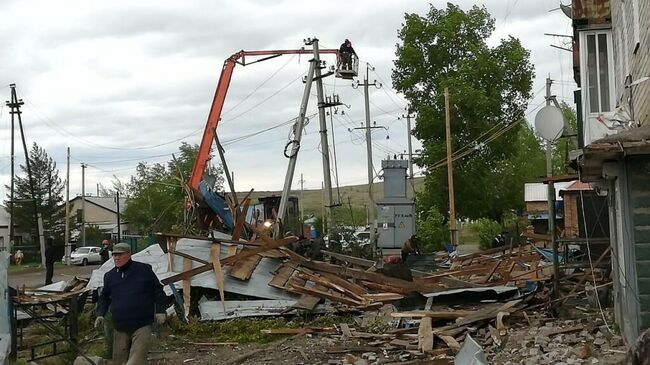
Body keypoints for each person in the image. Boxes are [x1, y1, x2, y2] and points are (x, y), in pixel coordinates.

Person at [95, 243, 167, 365]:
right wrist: (100, 314)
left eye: (120, 254)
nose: (116, 258)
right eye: (114, 255)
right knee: (119, 361)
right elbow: (104, 297)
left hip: (142, 324)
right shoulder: (110, 276)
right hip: (120, 326)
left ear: (129, 254)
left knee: (135, 361)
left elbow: (158, 291)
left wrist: (160, 311)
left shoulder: (144, 270)